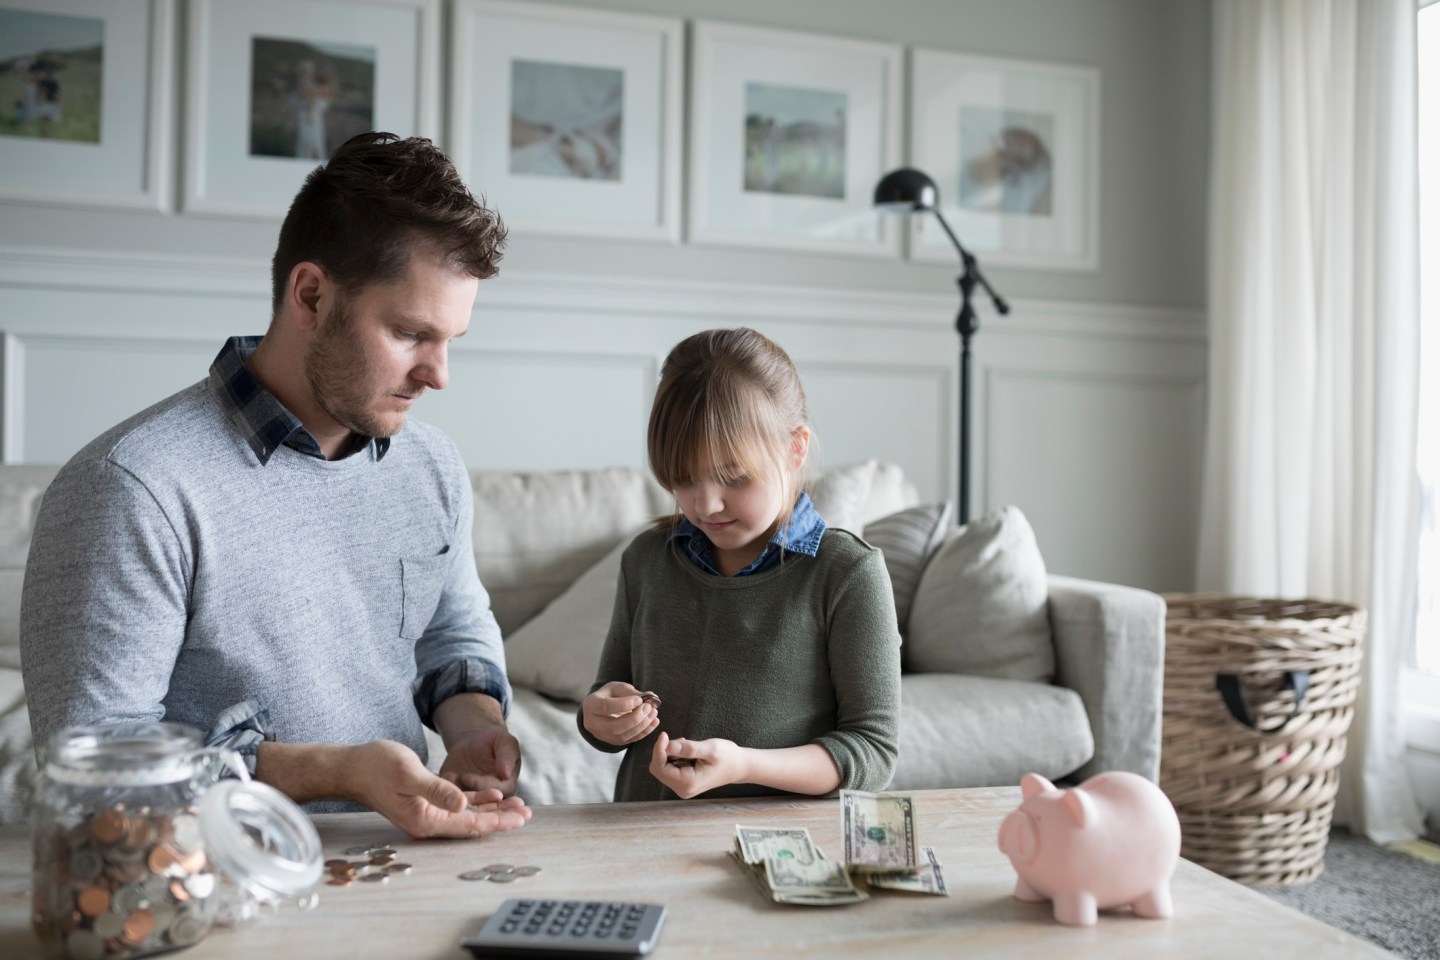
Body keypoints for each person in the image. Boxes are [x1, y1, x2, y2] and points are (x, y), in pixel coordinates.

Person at [21, 132, 530, 840]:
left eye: (451, 341)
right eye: (411, 333)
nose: (439, 374)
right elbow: (95, 774)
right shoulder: (133, 487)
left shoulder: (431, 466)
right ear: (312, 295)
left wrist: (474, 725)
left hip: (401, 862)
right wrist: (336, 771)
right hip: (203, 880)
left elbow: (451, 632)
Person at [577, 327, 901, 802]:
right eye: (684, 479)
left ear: (795, 449)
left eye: (733, 477)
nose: (706, 504)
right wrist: (598, 717)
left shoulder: (847, 573)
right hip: (644, 840)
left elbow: (873, 751)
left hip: (781, 854)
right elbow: (607, 697)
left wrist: (744, 765)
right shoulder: (645, 561)